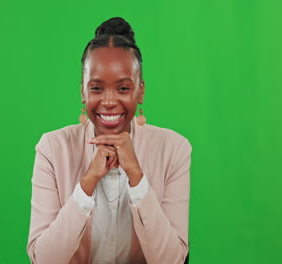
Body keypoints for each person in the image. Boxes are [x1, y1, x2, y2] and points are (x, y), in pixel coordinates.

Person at [27, 17, 192, 264]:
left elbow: (173, 260)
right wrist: (87, 183)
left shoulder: (174, 149)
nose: (109, 101)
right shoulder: (52, 148)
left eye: (123, 88)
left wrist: (136, 177)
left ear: (141, 91)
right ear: (83, 91)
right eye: (96, 88)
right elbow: (43, 260)